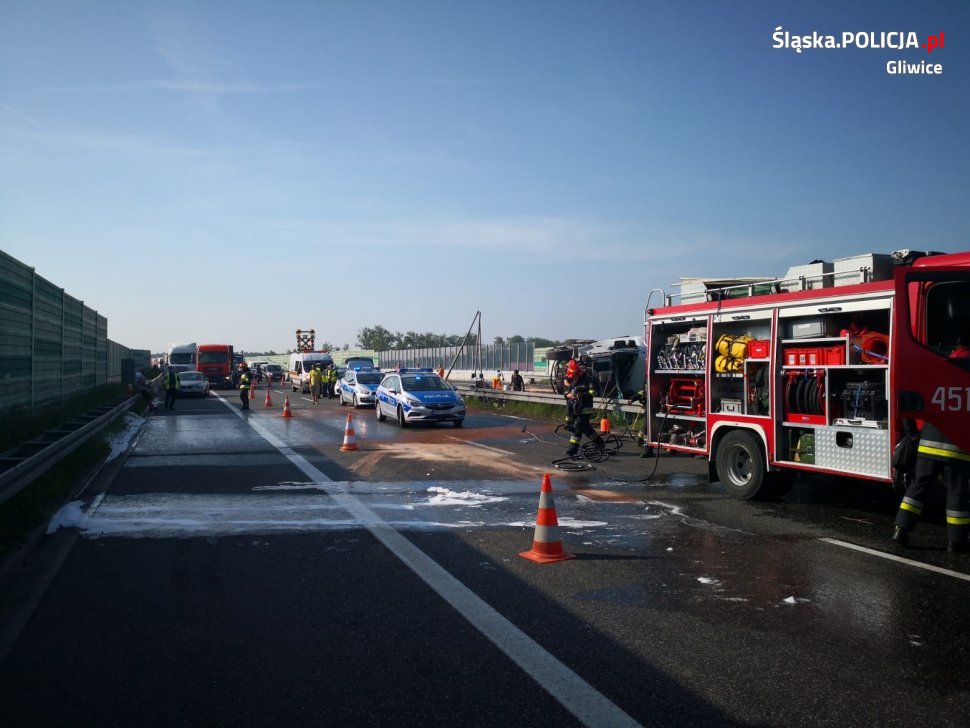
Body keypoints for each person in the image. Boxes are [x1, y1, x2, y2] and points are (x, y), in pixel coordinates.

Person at [892, 347, 970, 553]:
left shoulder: (936, 372)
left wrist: (911, 432)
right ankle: (956, 541)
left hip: (929, 443)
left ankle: (901, 529)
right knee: (957, 492)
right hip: (959, 447)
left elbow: (910, 399)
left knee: (919, 486)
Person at [563, 359, 605, 457]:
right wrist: (568, 395)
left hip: (585, 409)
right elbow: (566, 391)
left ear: (578, 374)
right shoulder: (573, 382)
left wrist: (582, 394)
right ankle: (600, 443)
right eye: (571, 376)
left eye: (574, 376)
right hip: (576, 409)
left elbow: (594, 392)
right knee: (587, 429)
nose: (573, 378)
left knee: (576, 428)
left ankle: (572, 450)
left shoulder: (587, 380)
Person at [627, 388, 650, 457]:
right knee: (646, 427)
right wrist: (632, 399)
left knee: (647, 427)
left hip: (655, 409)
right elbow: (639, 394)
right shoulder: (646, 390)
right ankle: (646, 447)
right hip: (649, 410)